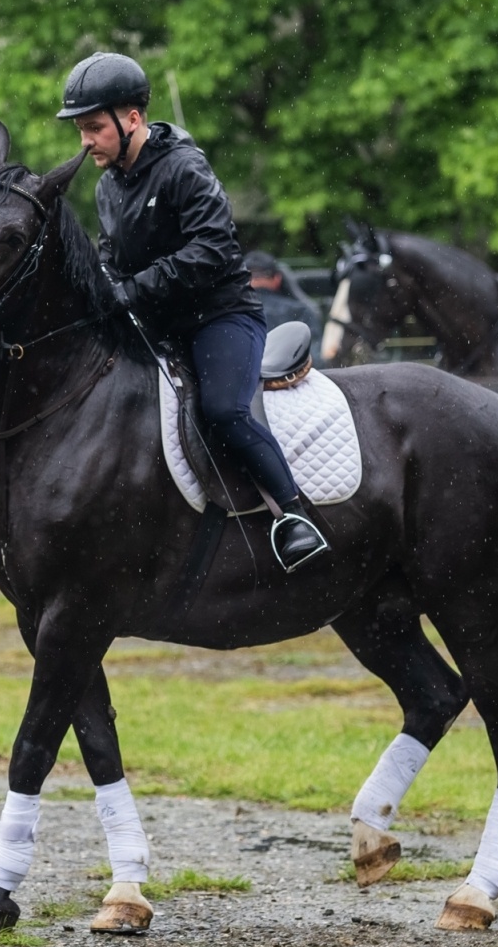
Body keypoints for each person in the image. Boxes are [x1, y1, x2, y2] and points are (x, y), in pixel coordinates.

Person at [58, 52, 327, 572]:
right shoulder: (108, 184)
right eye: (82, 130)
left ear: (130, 118)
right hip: (159, 324)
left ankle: (294, 515)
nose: (86, 141)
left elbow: (210, 251)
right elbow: (111, 259)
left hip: (221, 317)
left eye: (94, 127)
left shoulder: (185, 168)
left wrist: (131, 291)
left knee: (224, 409)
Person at [244, 250, 325, 360]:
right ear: (277, 279)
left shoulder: (226, 312)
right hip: (290, 376)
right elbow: (314, 360)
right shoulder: (300, 311)